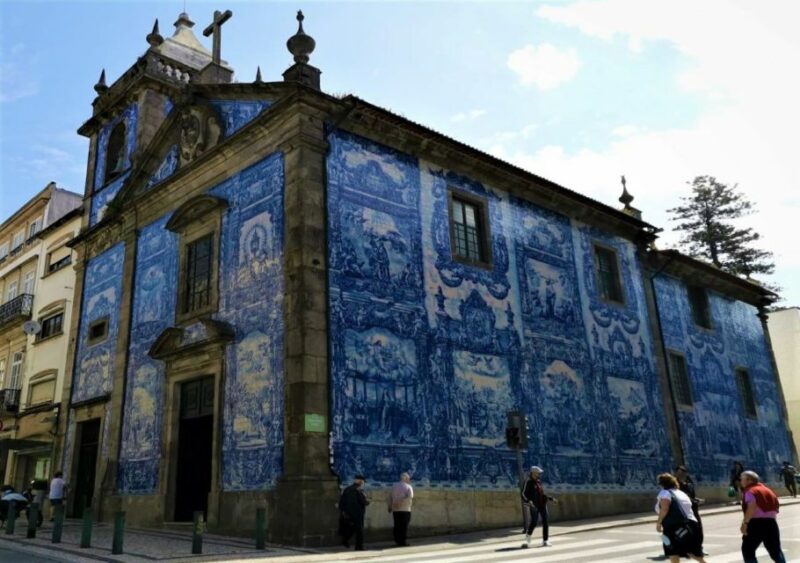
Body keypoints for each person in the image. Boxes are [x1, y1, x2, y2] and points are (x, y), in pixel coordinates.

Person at [655, 473, 706, 563]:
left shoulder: (665, 493)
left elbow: (664, 509)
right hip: (691, 525)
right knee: (692, 553)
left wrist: (658, 523)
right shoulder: (680, 493)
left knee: (673, 552)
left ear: (662, 484)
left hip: (674, 527)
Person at [740, 470, 786, 563]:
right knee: (775, 550)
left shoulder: (750, 490)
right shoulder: (767, 490)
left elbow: (751, 507)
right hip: (771, 523)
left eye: (742, 479)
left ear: (749, 480)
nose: (740, 481)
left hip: (756, 524)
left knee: (748, 550)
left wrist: (745, 523)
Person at [521, 466, 556, 548]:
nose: (540, 474)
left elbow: (542, 494)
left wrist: (550, 498)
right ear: (533, 473)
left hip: (542, 504)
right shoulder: (528, 482)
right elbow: (523, 494)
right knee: (534, 522)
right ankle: (528, 539)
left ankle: (545, 540)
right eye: (538, 473)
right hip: (534, 505)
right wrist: (528, 501)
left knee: (545, 522)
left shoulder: (539, 482)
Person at [339, 474, 370, 551]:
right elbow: (364, 502)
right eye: (363, 482)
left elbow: (342, 502)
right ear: (360, 481)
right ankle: (359, 546)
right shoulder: (359, 490)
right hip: (358, 513)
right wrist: (368, 501)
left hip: (348, 513)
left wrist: (343, 511)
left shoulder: (347, 489)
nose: (363, 484)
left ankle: (345, 539)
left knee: (351, 528)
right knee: (359, 530)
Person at [675, 465, 704, 545]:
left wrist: (696, 499)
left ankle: (698, 546)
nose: (682, 475)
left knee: (698, 528)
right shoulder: (675, 484)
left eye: (683, 472)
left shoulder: (689, 482)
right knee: (686, 529)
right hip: (683, 511)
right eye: (679, 473)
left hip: (693, 509)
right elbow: (680, 496)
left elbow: (691, 495)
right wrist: (694, 501)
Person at [387, 472, 414, 547]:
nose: (409, 480)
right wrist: (401, 502)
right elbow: (410, 497)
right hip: (405, 509)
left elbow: (390, 497)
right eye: (408, 478)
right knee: (404, 526)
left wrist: (390, 506)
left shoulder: (394, 486)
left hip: (395, 510)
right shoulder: (408, 487)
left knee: (397, 525)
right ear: (405, 478)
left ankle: (397, 541)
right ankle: (402, 541)